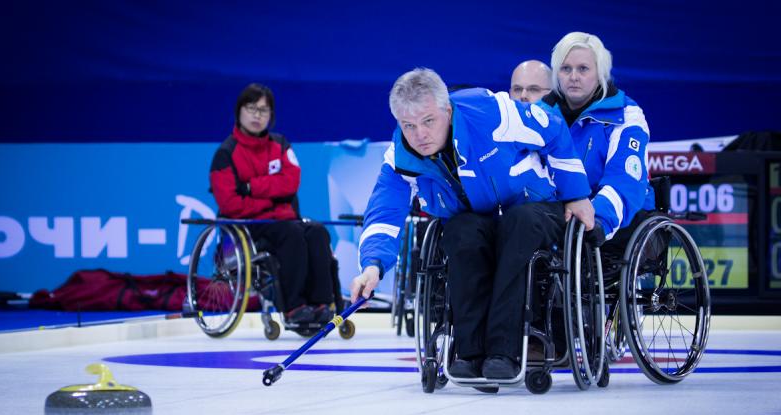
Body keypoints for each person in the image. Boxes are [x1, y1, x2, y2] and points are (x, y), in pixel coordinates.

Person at [350, 68, 595, 380]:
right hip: (477, 221)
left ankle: (504, 351)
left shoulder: (494, 113)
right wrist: (372, 266)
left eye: (428, 121)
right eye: (408, 126)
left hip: (532, 209)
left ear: (447, 110)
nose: (420, 135)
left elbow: (555, 128)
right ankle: (469, 352)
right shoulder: (400, 159)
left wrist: (575, 193)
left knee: (518, 225)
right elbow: (384, 214)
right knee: (460, 231)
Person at [209, 83, 334, 324]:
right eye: (251, 108)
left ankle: (322, 303)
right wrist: (272, 203)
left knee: (317, 232)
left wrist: (252, 187)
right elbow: (231, 204)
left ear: (271, 116)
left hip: (285, 221)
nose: (257, 115)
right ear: (239, 112)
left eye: (263, 110)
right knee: (291, 233)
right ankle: (293, 307)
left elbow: (291, 182)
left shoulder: (281, 145)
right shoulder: (226, 154)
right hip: (248, 228)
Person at [539, 32, 654, 249]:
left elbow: (624, 179)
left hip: (611, 219)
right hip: (559, 214)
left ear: (600, 73)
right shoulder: (539, 115)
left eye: (583, 69)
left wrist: (596, 219)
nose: (573, 77)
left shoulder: (626, 115)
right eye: (566, 69)